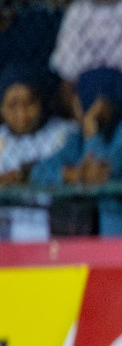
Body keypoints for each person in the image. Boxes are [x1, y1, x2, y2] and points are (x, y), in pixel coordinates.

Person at [32, 67, 122, 235]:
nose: (76, 105)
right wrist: (74, 175)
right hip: (93, 244)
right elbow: (39, 173)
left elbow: (101, 177)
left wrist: (93, 133)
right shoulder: (77, 138)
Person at [0, 63, 76, 241]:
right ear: (1, 109)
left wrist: (26, 176)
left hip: (59, 237)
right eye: (13, 105)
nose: (22, 113)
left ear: (42, 101)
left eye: (30, 102)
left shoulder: (65, 134)